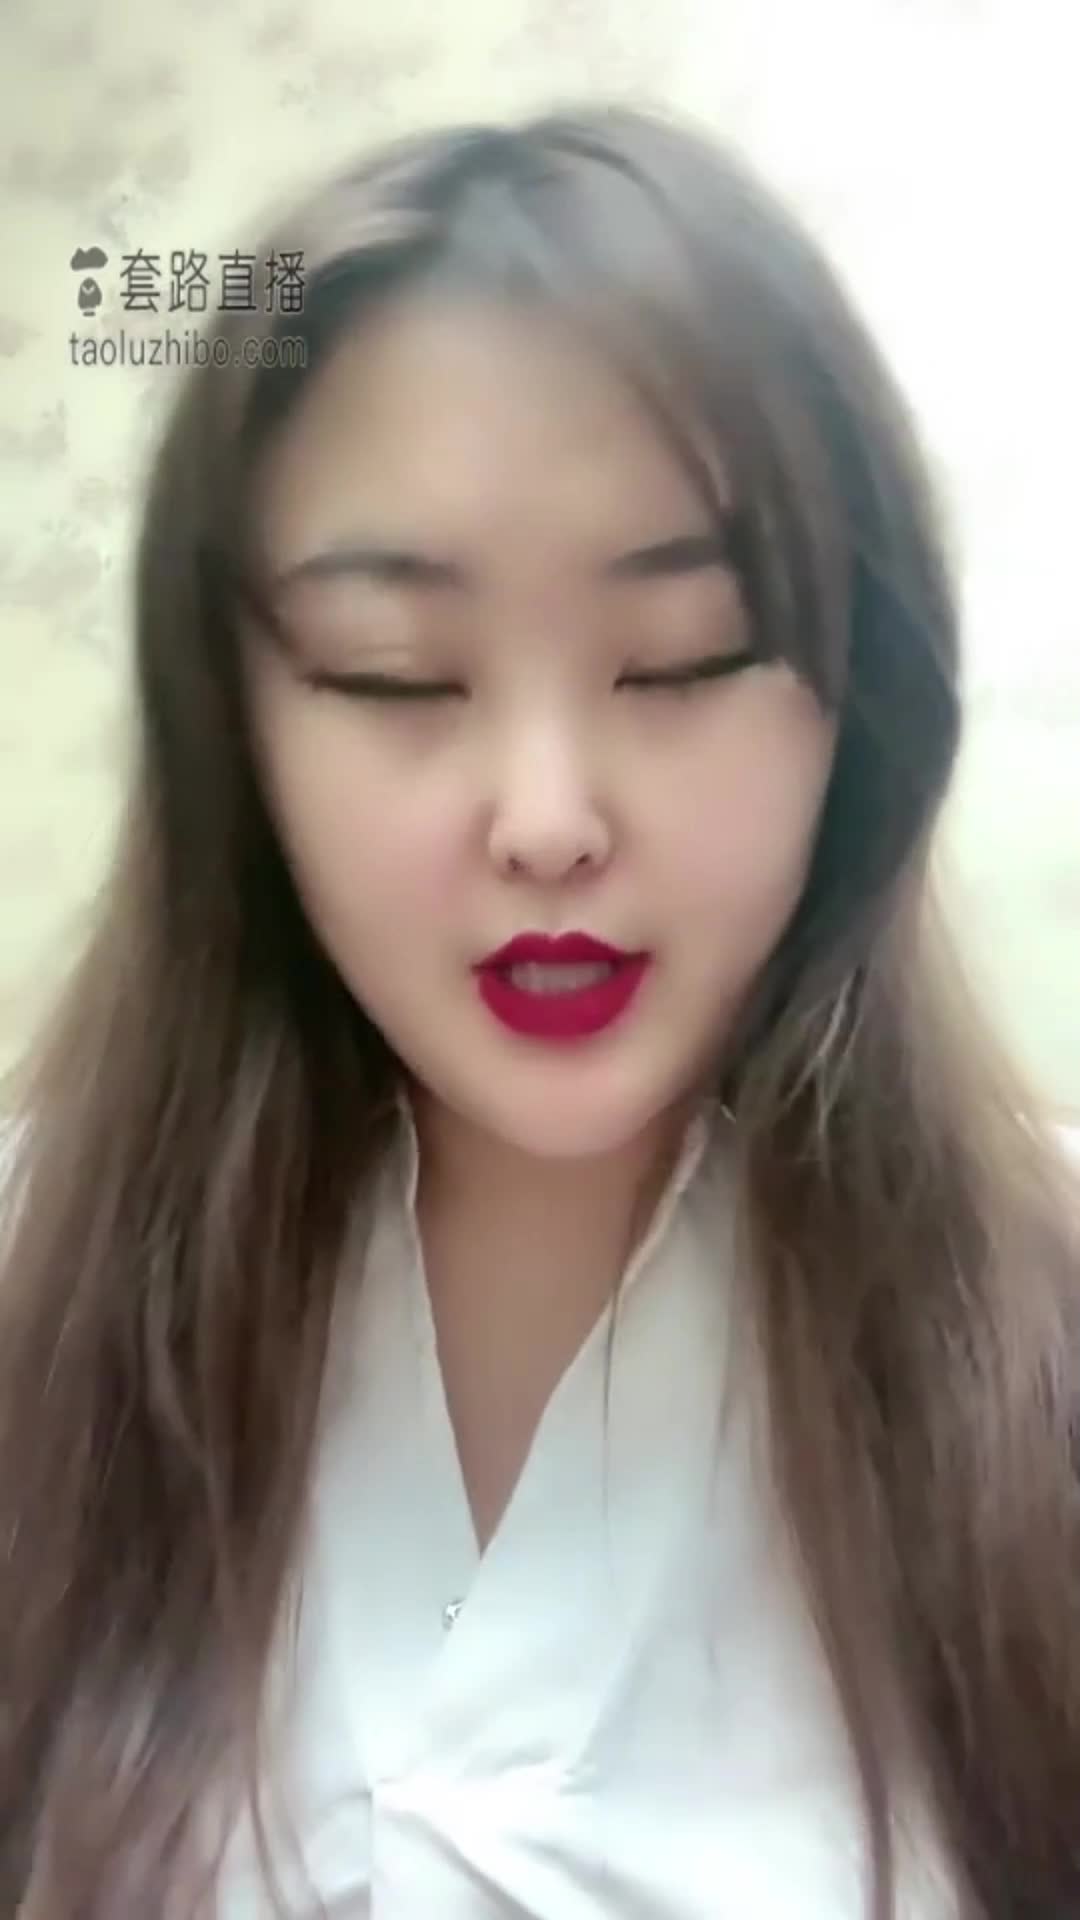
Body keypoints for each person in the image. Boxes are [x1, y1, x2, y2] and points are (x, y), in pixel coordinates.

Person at [1, 103, 1078, 1920]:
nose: (550, 818)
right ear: (232, 725)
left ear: (862, 694)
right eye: (395, 678)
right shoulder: (32, 1278)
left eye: (685, 659)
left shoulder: (1046, 1329)